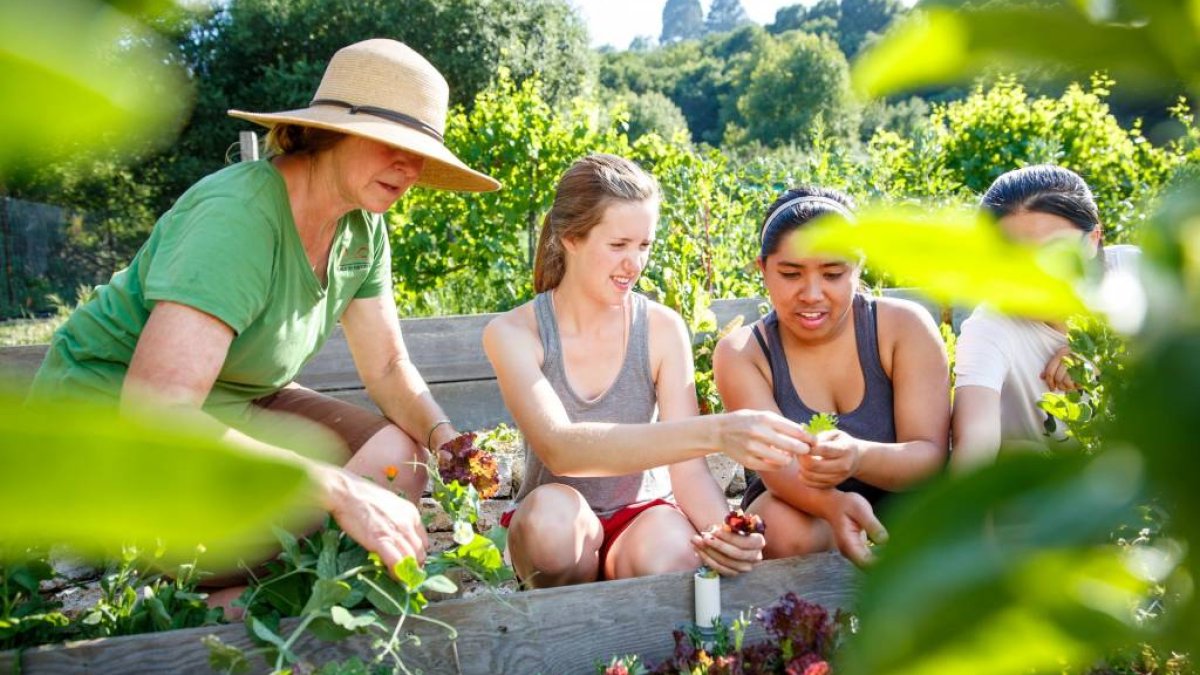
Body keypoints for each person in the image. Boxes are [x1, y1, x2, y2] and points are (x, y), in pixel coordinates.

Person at [28, 39, 500, 585]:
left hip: (233, 397)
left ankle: (244, 579)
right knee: (266, 523)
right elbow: (157, 409)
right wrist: (342, 491)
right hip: (117, 419)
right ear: (331, 132)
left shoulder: (361, 226)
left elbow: (389, 367)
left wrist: (446, 440)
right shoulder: (239, 217)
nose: (410, 166)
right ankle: (125, 542)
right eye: (390, 143)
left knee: (402, 460)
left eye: (422, 152)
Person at [482, 154, 811, 588]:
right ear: (571, 238)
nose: (634, 264)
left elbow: (688, 473)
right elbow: (561, 449)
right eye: (618, 246)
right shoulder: (514, 332)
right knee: (550, 527)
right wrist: (717, 431)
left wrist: (729, 531)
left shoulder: (660, 327)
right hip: (560, 528)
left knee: (675, 553)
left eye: (644, 246)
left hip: (642, 519)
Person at [712, 187, 950, 566]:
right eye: (790, 274)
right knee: (785, 530)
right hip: (800, 503)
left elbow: (928, 455)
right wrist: (833, 504)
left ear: (858, 266)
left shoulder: (903, 328)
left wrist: (857, 456)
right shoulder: (744, 352)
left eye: (833, 273)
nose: (811, 294)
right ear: (763, 270)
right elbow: (778, 469)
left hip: (902, 502)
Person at [951, 164, 1140, 472]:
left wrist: (1099, 350)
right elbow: (974, 445)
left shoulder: (1133, 272)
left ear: (1093, 239)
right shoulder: (990, 328)